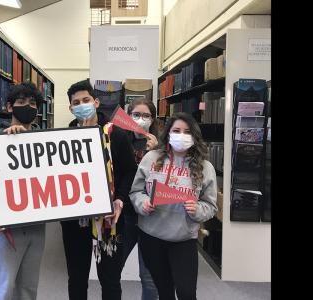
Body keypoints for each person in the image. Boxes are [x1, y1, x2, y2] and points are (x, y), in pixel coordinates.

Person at [60, 79, 137, 300]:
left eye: (86, 100)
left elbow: (130, 171)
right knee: (76, 278)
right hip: (74, 221)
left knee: (110, 279)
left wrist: (120, 199)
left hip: (109, 219)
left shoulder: (116, 135)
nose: (81, 105)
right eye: (76, 102)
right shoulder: (62, 139)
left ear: (95, 102)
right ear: (71, 108)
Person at [129, 112, 218, 300]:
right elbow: (136, 192)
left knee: (187, 293)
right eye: (176, 130)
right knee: (164, 291)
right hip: (151, 236)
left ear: (194, 136)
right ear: (168, 133)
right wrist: (142, 203)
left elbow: (210, 205)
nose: (182, 135)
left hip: (183, 238)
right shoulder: (151, 158)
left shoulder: (205, 167)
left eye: (187, 132)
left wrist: (197, 209)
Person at [0, 82, 46, 300]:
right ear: (9, 107)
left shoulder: (46, 140)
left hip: (36, 226)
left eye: (32, 104)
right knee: (3, 288)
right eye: (21, 102)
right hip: (7, 229)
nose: (28, 107)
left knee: (29, 288)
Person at [120, 98, 160, 300]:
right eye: (136, 114)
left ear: (153, 119)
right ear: (128, 116)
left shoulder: (162, 146)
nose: (141, 119)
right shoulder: (119, 140)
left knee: (149, 277)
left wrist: (156, 153)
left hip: (150, 217)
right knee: (113, 268)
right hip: (125, 215)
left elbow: (168, 181)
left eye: (146, 115)